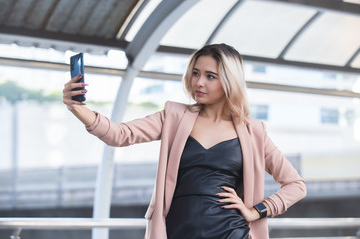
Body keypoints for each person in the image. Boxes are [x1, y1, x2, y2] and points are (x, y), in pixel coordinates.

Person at [63, 43, 307, 239]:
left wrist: (256, 211)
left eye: (210, 76)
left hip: (231, 231)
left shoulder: (254, 131)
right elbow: (119, 134)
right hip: (177, 229)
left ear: (229, 82)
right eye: (196, 73)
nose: (199, 82)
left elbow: (296, 185)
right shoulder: (174, 116)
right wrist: (77, 108)